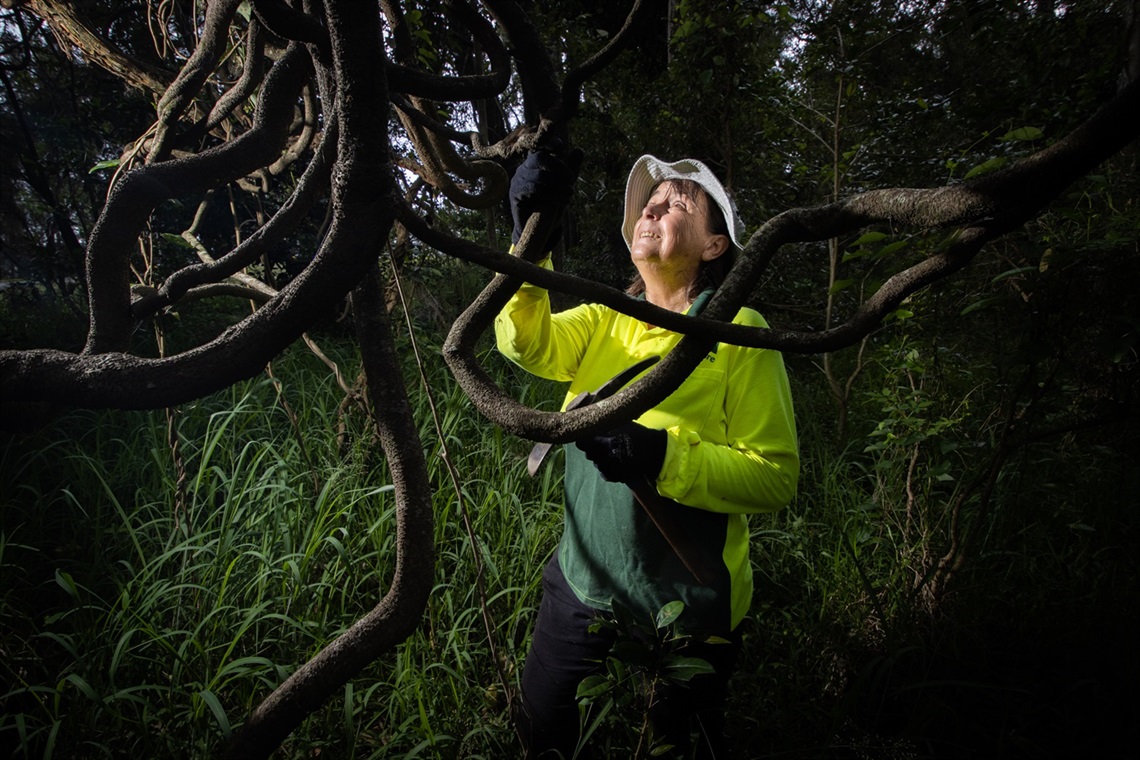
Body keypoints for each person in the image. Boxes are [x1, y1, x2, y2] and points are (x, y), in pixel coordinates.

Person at [496, 152, 799, 759]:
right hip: (583, 580)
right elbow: (525, 342)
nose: (653, 208)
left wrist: (661, 456)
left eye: (677, 202)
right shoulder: (607, 317)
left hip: (686, 602)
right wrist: (532, 239)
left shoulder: (740, 330)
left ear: (715, 246)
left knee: (680, 745)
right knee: (541, 732)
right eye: (648, 204)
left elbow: (775, 478)